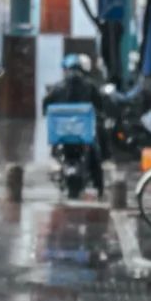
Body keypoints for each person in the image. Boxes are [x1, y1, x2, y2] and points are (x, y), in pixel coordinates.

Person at [42, 54, 106, 197]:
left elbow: (46, 104)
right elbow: (100, 105)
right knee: (97, 154)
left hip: (62, 133)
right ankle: (99, 187)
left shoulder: (57, 87)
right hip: (84, 134)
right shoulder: (90, 86)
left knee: (54, 153)